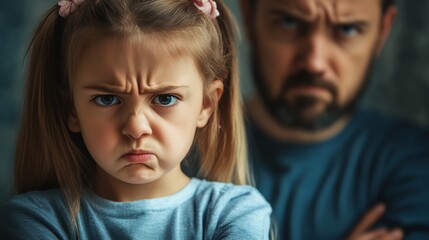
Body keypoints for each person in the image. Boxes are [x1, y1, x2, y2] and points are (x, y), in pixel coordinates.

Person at [0, 0, 272, 239]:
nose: (136, 128)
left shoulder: (236, 213)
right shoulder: (36, 219)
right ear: (71, 109)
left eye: (165, 99)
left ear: (206, 104)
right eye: (107, 99)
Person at [239, 0, 429, 239]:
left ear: (383, 30)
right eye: (289, 22)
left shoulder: (416, 164)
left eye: (347, 29)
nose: (314, 62)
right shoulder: (182, 153)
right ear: (248, 17)